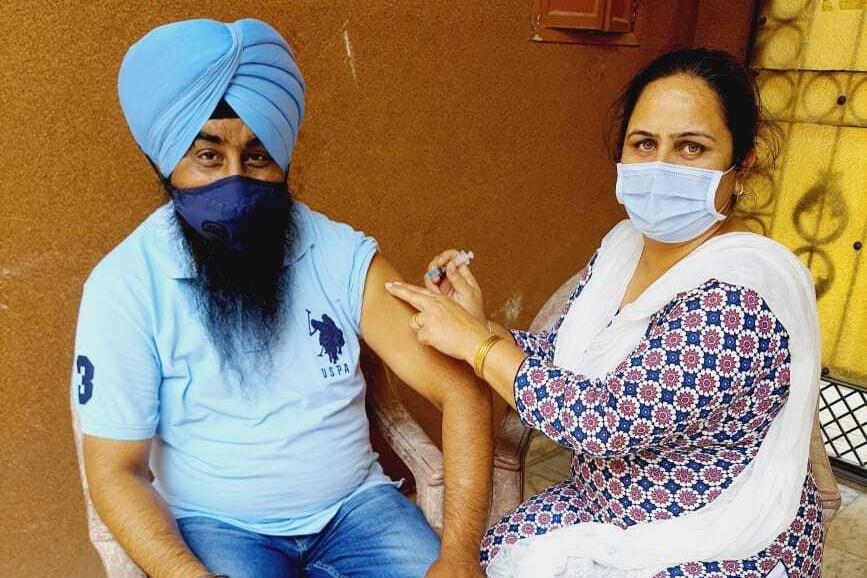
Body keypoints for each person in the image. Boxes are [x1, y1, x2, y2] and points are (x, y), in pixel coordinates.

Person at [72, 18, 492, 578]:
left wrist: (459, 556)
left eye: (258, 156)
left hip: (357, 510)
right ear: (165, 161)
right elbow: (115, 470)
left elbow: (460, 391)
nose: (236, 180)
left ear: (283, 160)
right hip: (217, 525)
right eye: (207, 156)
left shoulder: (339, 254)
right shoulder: (124, 284)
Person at [386, 48, 825, 578]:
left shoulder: (739, 295)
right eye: (644, 144)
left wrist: (479, 348)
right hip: (601, 506)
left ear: (742, 162)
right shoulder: (624, 247)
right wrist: (481, 327)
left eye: (691, 147)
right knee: (485, 560)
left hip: (709, 535)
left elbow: (601, 420)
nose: (661, 166)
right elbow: (572, 350)